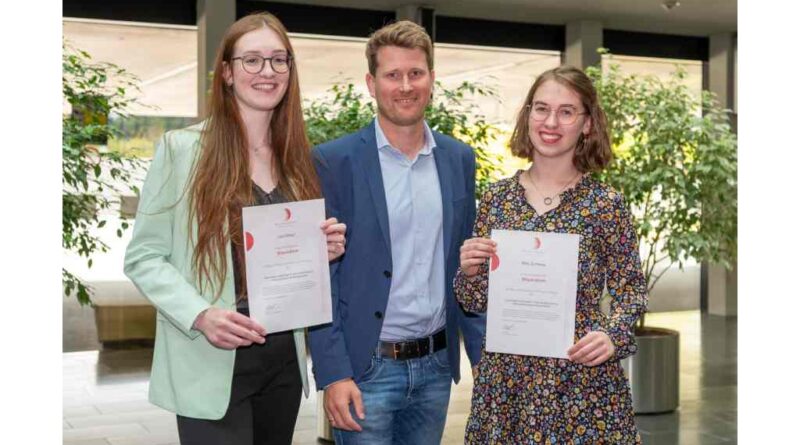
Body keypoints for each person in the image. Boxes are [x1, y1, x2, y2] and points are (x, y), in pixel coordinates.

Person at [123, 12, 346, 445]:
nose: (268, 71)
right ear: (226, 72)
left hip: (282, 360)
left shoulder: (299, 161)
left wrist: (321, 251)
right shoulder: (183, 150)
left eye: (279, 60)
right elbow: (144, 257)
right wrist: (201, 315)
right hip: (211, 357)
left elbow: (288, 257)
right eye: (253, 60)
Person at [307, 20, 485, 445]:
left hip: (437, 367)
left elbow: (469, 265)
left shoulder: (458, 159)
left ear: (431, 79)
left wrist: (481, 359)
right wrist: (334, 373)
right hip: (367, 370)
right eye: (392, 75)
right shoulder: (334, 162)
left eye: (416, 73)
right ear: (372, 83)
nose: (405, 86)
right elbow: (321, 276)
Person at [455, 65, 647, 444]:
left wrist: (613, 335)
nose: (551, 122)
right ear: (528, 116)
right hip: (507, 387)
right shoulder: (497, 199)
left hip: (582, 384)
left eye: (566, 112)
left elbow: (632, 290)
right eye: (541, 109)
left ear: (587, 124)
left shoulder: (605, 204)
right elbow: (474, 301)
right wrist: (470, 272)